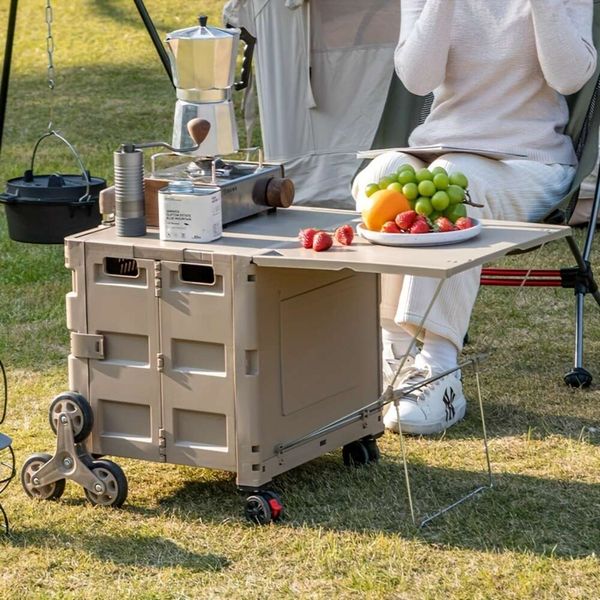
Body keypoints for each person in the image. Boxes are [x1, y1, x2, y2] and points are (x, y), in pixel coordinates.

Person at [352, 0, 597, 435]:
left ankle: (441, 372)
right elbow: (416, 79)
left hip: (531, 159)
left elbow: (571, 77)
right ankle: (395, 356)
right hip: (440, 147)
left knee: (452, 183)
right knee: (382, 176)